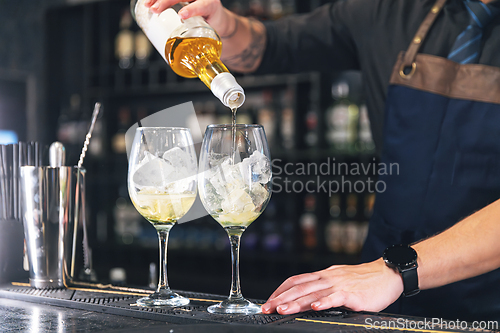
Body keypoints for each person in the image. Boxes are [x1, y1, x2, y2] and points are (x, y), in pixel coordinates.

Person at [145, 0, 500, 322]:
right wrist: (225, 24)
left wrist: (398, 271)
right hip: (373, 293)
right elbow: (274, 44)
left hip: (481, 302)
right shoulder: (391, 10)